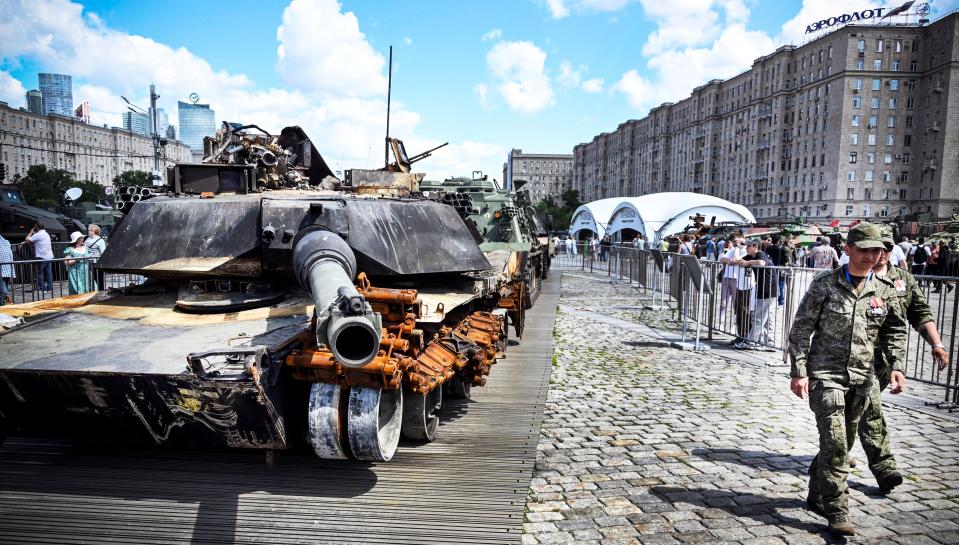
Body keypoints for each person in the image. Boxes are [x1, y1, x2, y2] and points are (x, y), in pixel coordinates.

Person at [788, 223, 908, 536]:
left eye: (878, 250)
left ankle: (817, 492)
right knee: (837, 443)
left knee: (844, 439)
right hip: (825, 376)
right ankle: (837, 508)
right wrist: (799, 371)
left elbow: (894, 329)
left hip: (864, 377)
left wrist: (896, 365)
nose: (873, 255)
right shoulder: (825, 285)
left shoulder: (883, 289)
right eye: (866, 249)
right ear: (849, 249)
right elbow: (801, 329)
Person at [856, 225, 949, 497]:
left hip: (889, 360)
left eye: (886, 247)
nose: (881, 252)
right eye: (876, 247)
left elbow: (921, 313)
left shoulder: (903, 280)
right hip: (858, 358)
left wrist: (937, 344)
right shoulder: (857, 276)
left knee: (855, 411)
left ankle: (828, 460)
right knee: (870, 408)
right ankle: (884, 467)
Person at [741, 239, 777, 351]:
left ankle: (751, 341)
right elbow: (738, 261)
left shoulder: (760, 254)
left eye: (748, 246)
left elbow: (762, 263)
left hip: (766, 289)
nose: (746, 248)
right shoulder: (751, 255)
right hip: (768, 289)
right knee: (767, 317)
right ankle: (769, 342)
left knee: (759, 317)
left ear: (755, 246)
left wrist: (748, 263)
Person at [719, 234, 748, 340]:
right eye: (735, 241)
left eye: (739, 241)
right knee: (723, 303)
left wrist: (733, 256)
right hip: (727, 277)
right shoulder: (733, 249)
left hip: (737, 279)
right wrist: (730, 261)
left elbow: (737, 260)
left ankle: (734, 326)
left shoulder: (745, 251)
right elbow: (722, 259)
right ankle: (720, 324)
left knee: (736, 305)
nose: (737, 243)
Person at [19, 220, 53, 292]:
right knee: (48, 273)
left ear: (36, 227)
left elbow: (27, 239)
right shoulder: (46, 234)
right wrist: (24, 242)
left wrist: (31, 232)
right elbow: (32, 240)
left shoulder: (37, 235)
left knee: (38, 273)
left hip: (41, 256)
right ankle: (49, 288)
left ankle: (42, 289)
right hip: (49, 256)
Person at [85, 224, 107, 290]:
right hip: (87, 262)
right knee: (89, 279)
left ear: (94, 231)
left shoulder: (100, 240)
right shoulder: (87, 238)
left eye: (89, 230)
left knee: (98, 279)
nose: (88, 231)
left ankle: (100, 292)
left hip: (96, 262)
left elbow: (103, 252)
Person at [0, 234, 14, 305]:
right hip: (5, 268)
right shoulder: (6, 242)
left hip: (4, 268)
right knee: (3, 288)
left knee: (3, 288)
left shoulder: (5, 243)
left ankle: (6, 300)